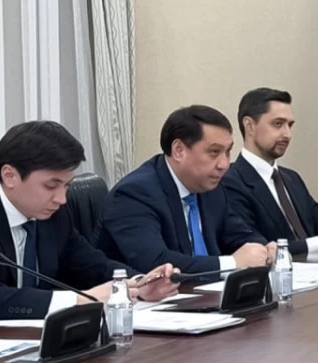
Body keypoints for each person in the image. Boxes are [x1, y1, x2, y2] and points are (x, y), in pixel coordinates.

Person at [0, 122, 178, 324]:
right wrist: (80, 300)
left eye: (66, 186)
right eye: (51, 186)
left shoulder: (53, 217)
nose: (62, 199)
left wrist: (139, 283)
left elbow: (92, 265)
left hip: (39, 344)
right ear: (9, 176)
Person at [97, 106, 273, 275]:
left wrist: (264, 249)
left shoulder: (210, 187)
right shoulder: (133, 194)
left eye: (227, 152)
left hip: (206, 292)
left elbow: (238, 234)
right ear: (179, 150)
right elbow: (156, 263)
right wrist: (232, 263)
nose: (224, 164)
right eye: (214, 152)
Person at [221, 88, 318, 254]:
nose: (287, 134)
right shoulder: (229, 181)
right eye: (278, 124)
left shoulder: (292, 178)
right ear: (249, 125)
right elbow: (260, 249)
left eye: (290, 125)